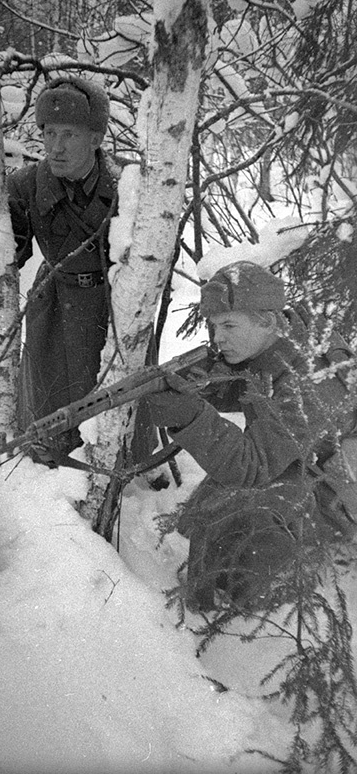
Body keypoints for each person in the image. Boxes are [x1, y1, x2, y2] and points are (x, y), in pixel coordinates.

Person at [145, 261, 357, 612]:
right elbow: (253, 389)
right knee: (213, 505)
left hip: (339, 485)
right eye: (214, 326)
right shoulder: (279, 344)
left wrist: (190, 415)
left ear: (268, 321)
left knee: (251, 514)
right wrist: (203, 383)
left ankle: (247, 612)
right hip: (307, 455)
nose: (218, 338)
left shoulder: (310, 376)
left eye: (229, 325)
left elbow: (253, 465)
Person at [0, 76, 155, 465]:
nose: (55, 146)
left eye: (68, 134)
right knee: (51, 403)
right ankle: (51, 463)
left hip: (113, 304)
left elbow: (154, 263)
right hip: (54, 303)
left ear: (96, 139)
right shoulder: (25, 185)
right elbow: (7, 258)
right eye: (49, 133)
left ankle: (123, 467)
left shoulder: (129, 183)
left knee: (118, 404)